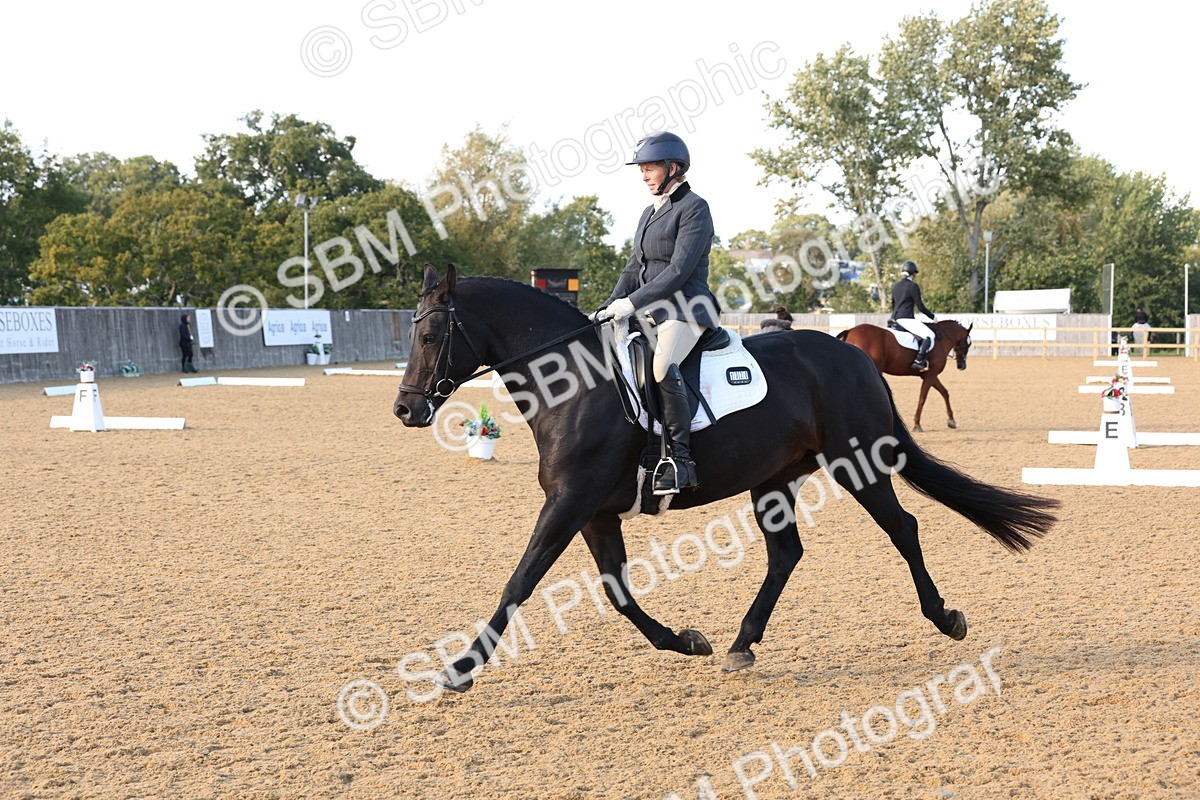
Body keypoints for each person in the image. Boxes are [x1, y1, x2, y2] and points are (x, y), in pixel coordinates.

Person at [592, 131, 719, 494]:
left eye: (649, 168)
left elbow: (678, 270)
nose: (644, 175)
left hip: (688, 308)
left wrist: (631, 303)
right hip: (651, 311)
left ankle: (681, 460)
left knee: (662, 366)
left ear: (673, 168)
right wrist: (608, 306)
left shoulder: (695, 208)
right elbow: (634, 268)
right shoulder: (649, 213)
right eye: (642, 169)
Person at [890, 260, 937, 372]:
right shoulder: (913, 286)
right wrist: (932, 317)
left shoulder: (895, 286)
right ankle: (918, 361)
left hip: (894, 318)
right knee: (930, 335)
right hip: (906, 318)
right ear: (913, 274)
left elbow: (893, 304)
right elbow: (920, 306)